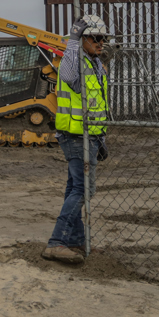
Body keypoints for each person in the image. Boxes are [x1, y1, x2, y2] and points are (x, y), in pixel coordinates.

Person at [42, 15, 109, 264]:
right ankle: (58, 241)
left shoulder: (94, 64)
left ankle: (75, 238)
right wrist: (72, 39)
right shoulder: (75, 60)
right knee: (83, 188)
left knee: (75, 187)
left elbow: (96, 104)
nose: (101, 43)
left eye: (104, 38)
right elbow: (69, 76)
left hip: (89, 135)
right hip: (75, 134)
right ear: (83, 39)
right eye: (96, 38)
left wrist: (101, 137)